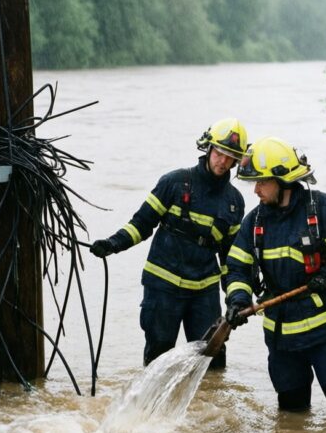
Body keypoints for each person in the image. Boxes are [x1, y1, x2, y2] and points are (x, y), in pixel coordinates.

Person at [223, 137, 326, 421]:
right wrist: (238, 300)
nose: (255, 190)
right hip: (282, 339)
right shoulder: (254, 222)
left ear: (283, 180)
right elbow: (237, 268)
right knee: (291, 416)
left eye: (261, 182)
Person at [89, 118, 247, 368]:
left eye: (231, 157)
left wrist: (236, 300)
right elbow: (141, 224)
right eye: (220, 153)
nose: (223, 162)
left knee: (213, 362)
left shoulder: (234, 202)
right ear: (208, 149)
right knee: (158, 358)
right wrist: (112, 244)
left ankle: (210, 407)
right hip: (163, 287)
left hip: (204, 292)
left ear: (238, 161)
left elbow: (230, 260)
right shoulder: (174, 183)